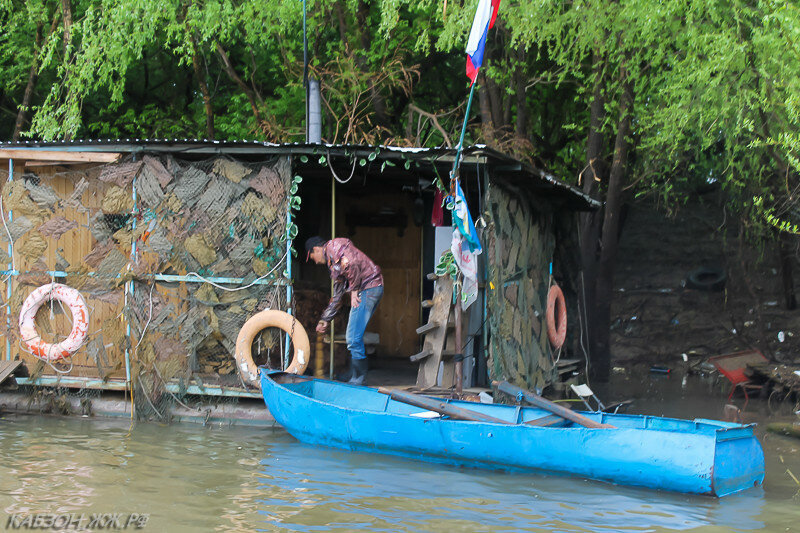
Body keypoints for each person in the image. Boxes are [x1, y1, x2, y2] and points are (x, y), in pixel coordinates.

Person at [305, 236, 383, 385]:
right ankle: (354, 372)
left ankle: (359, 377)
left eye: (312, 257)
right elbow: (337, 295)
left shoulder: (334, 246)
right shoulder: (333, 264)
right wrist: (325, 319)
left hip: (369, 288)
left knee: (353, 337)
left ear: (315, 249)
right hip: (371, 287)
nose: (314, 261)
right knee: (354, 335)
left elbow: (352, 263)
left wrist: (355, 289)